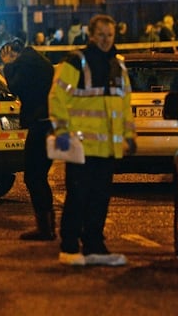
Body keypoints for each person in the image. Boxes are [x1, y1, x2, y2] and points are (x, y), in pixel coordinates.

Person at [49, 14, 136, 267]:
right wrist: (62, 131)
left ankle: (94, 244)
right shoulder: (76, 62)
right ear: (91, 35)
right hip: (81, 146)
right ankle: (69, 246)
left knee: (99, 199)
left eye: (110, 35)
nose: (106, 40)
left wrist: (130, 136)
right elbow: (57, 98)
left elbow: (125, 105)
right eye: (101, 35)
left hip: (107, 149)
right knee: (77, 197)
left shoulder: (118, 66)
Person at [0, 37, 56, 240]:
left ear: (12, 53)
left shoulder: (24, 64)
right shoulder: (39, 60)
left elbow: (14, 88)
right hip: (48, 121)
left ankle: (45, 229)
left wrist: (8, 67)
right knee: (40, 176)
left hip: (39, 123)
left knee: (33, 177)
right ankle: (48, 226)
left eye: (6, 57)